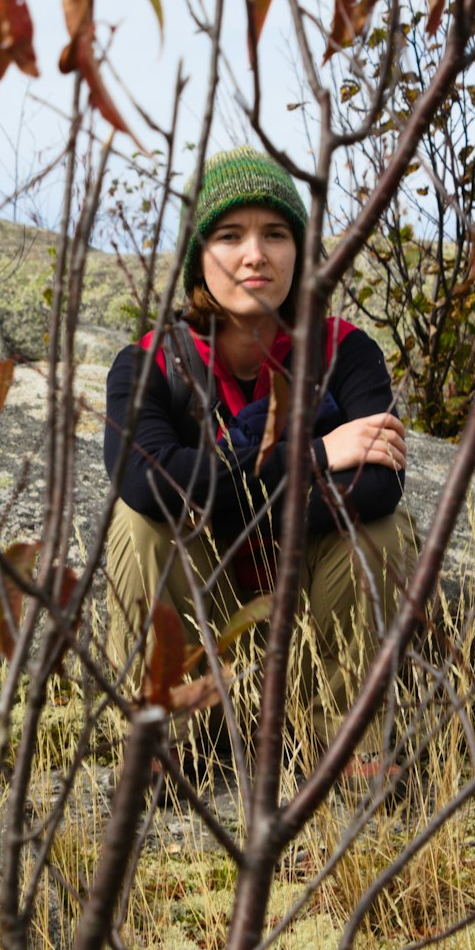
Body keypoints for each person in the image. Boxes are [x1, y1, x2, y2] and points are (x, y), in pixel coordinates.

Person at [102, 145, 407, 758]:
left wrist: (214, 492)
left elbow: (378, 487)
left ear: (298, 250)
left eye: (275, 233)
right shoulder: (149, 363)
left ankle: (343, 741)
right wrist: (318, 455)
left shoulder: (346, 353)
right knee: (137, 523)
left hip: (305, 640)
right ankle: (170, 742)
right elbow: (144, 483)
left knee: (383, 528)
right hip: (205, 642)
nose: (255, 254)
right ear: (198, 257)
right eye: (229, 235)